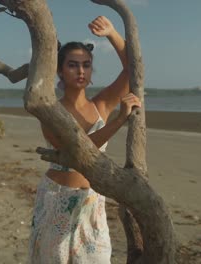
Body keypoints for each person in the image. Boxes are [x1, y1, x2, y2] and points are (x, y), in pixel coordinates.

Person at [28, 15, 141, 263]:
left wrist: (112, 33)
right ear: (59, 69)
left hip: (92, 202)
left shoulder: (101, 104)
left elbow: (133, 69)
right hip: (57, 199)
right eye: (72, 65)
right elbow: (80, 151)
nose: (81, 71)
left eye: (86, 65)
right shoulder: (49, 110)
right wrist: (119, 120)